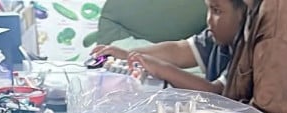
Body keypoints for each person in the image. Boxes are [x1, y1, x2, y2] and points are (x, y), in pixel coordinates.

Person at [93, 0, 246, 92]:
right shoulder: (215, 36)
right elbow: (179, 50)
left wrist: (162, 69)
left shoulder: (247, 52)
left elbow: (216, 92)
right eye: (209, 9)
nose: (209, 20)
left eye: (217, 11)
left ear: (245, 14)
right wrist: (128, 54)